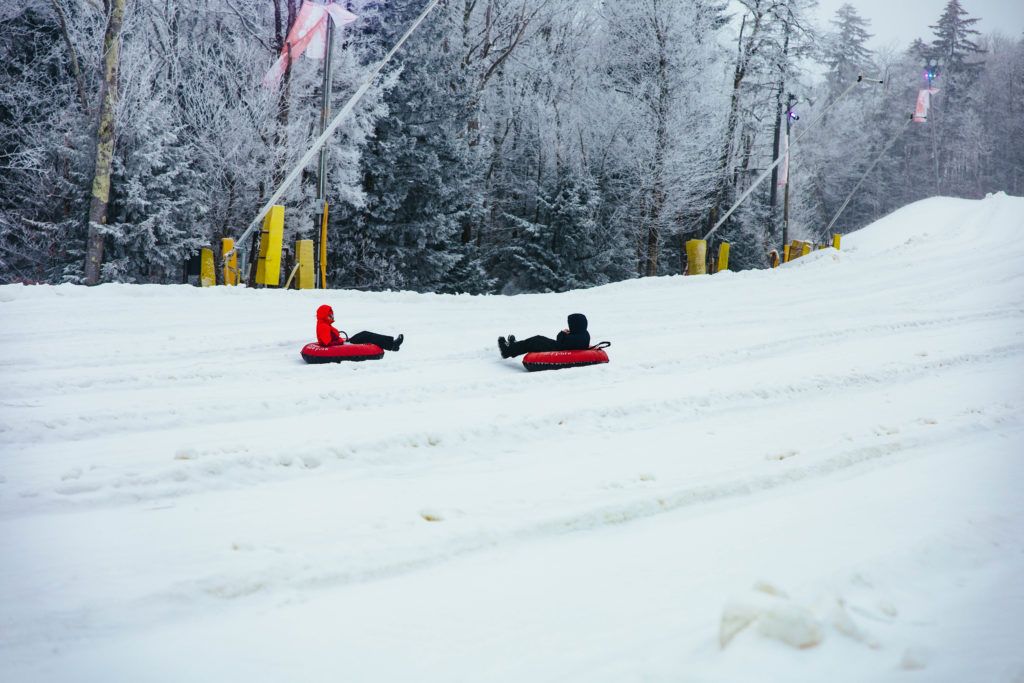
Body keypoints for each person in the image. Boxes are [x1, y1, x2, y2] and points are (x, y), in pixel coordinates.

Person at [498, 313, 590, 358]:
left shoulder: (575, 338)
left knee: (534, 342)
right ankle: (514, 346)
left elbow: (560, 341)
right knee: (537, 338)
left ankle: (507, 351)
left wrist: (562, 333)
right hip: (555, 346)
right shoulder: (584, 334)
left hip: (554, 349)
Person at [315, 304, 403, 351]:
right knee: (367, 335)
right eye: (330, 315)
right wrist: (341, 341)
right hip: (342, 345)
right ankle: (392, 345)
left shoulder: (323, 324)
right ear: (324, 315)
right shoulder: (323, 326)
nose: (332, 316)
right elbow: (327, 344)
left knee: (365, 334)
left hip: (343, 343)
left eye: (332, 314)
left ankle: (392, 344)